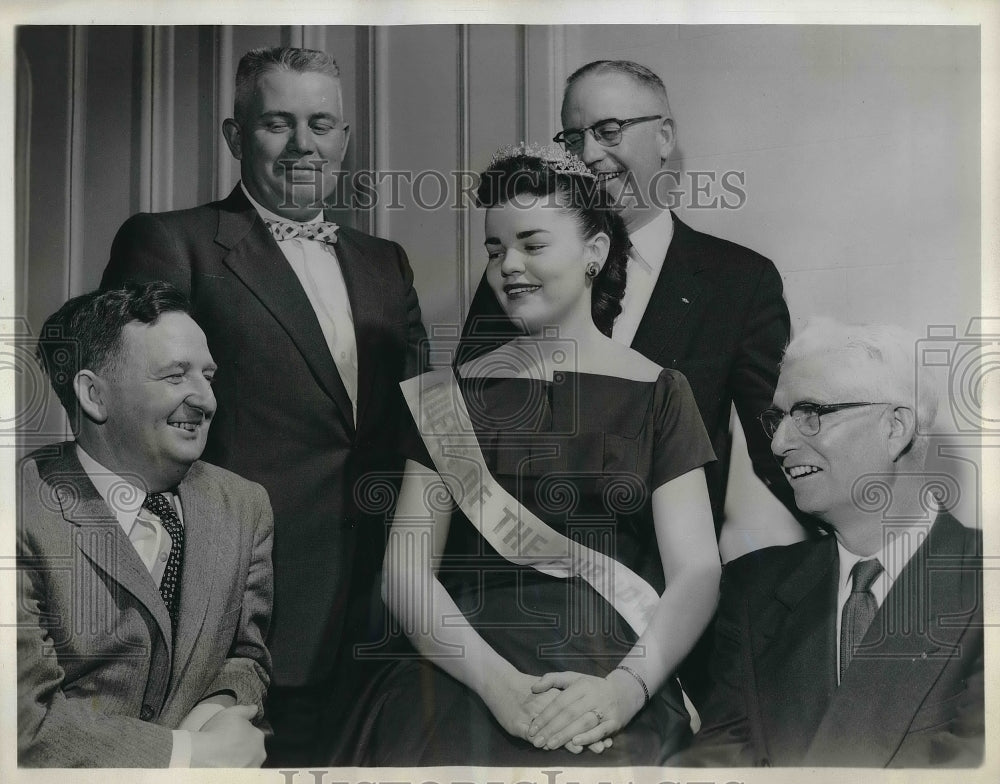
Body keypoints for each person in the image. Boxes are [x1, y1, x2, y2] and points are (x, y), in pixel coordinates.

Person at [101, 46, 426, 764]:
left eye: (321, 123)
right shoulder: (169, 241)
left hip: (383, 606)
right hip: (237, 609)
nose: (304, 143)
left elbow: (420, 427)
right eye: (278, 123)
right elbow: (131, 428)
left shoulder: (386, 262)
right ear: (234, 135)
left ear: (345, 138)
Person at [346, 145, 721, 766]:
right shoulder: (449, 399)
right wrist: (501, 689)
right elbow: (405, 574)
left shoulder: (661, 393)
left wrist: (624, 693)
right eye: (495, 249)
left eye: (532, 244)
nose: (507, 266)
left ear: (595, 253)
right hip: (465, 670)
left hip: (613, 672)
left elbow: (698, 573)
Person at [459, 60, 798, 534]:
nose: (589, 155)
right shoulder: (516, 274)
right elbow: (462, 430)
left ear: (664, 137)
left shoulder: (739, 282)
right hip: (514, 567)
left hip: (662, 576)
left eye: (610, 130)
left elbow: (777, 443)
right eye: (573, 138)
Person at [673, 318, 984, 767]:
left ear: (895, 427)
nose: (779, 443)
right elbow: (717, 761)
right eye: (778, 418)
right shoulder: (752, 589)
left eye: (810, 414)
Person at [17, 282, 273, 767]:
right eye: (176, 377)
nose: (206, 401)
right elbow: (23, 728)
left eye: (209, 376)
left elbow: (246, 657)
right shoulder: (17, 512)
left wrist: (216, 712)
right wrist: (189, 756)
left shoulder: (244, 506)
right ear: (94, 395)